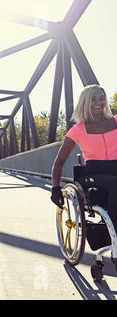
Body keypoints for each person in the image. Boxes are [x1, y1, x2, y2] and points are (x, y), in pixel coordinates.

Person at [51, 84, 117, 227]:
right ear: (85, 102)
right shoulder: (78, 130)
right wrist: (55, 187)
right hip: (93, 175)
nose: (98, 103)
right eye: (93, 99)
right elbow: (59, 162)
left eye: (101, 98)